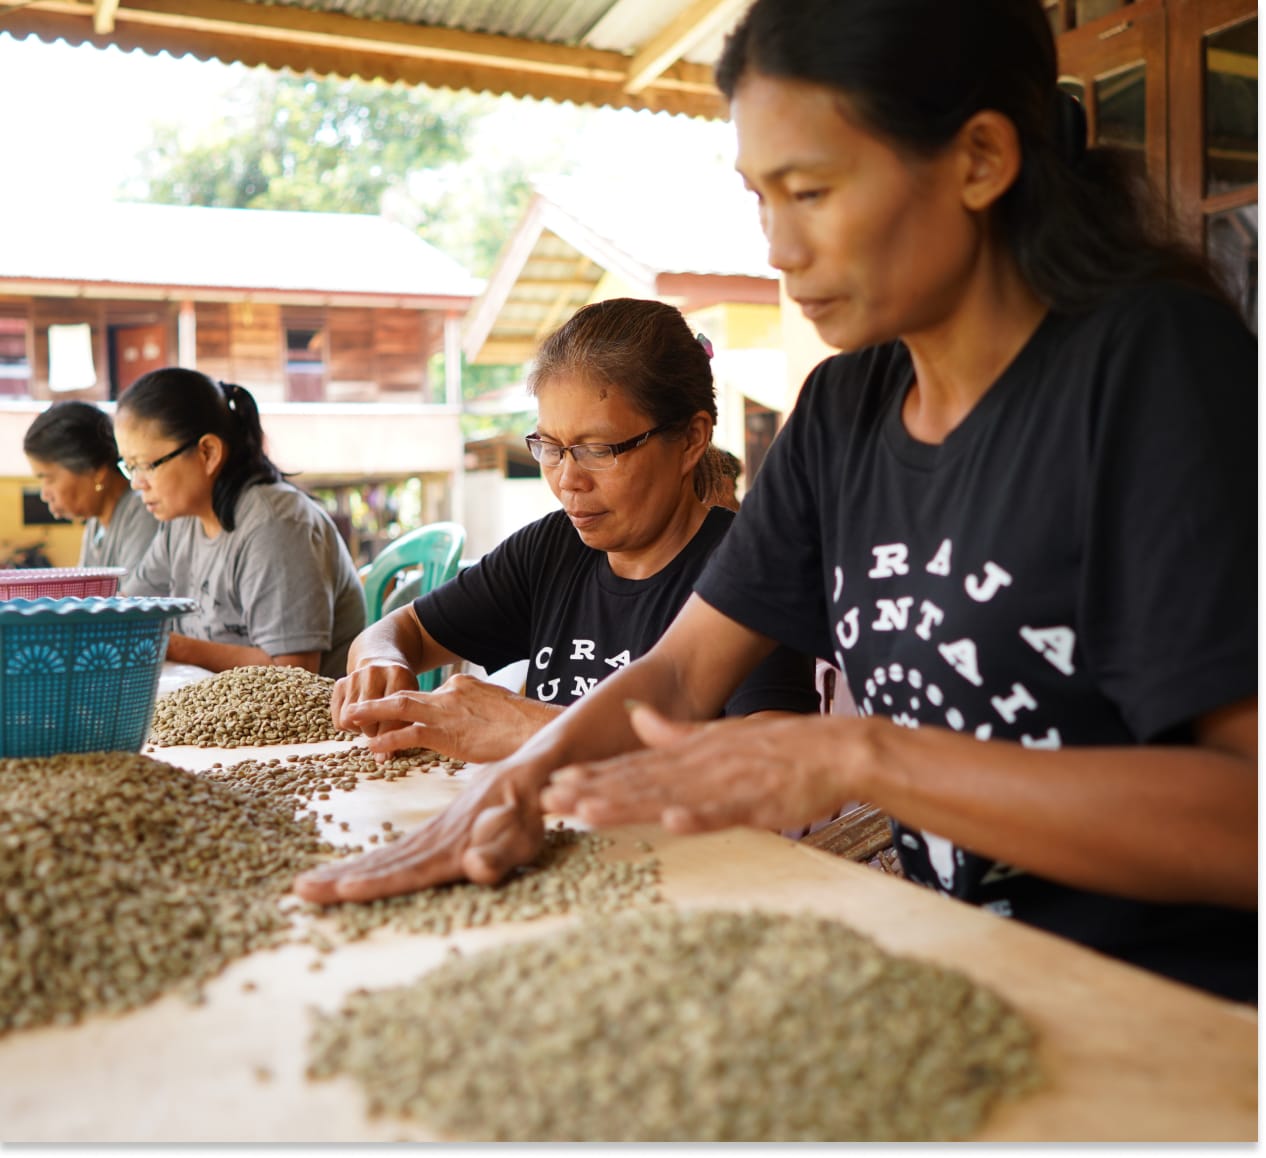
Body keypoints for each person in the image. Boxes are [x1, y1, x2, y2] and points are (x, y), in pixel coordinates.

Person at [294, 0, 1256, 1005]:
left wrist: (859, 753)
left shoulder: (1155, 371)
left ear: (979, 159)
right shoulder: (847, 407)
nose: (779, 249)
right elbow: (674, 682)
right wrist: (511, 790)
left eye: (812, 192)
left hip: (1174, 1011)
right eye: (761, 198)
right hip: (965, 985)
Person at [328, 297, 818, 764]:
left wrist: (531, 728)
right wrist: (379, 662)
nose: (568, 480)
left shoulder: (748, 569)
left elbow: (772, 766)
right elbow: (400, 629)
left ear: (691, 440)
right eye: (550, 447)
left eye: (597, 449)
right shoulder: (551, 550)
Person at [117, 367, 366, 677]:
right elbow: (129, 609)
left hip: (300, 719)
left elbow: (292, 674)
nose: (137, 483)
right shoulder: (182, 523)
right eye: (129, 467)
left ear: (208, 453)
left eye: (146, 465)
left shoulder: (276, 526)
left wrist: (169, 645)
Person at [23, 400, 159, 582]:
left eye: (49, 478)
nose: (45, 494)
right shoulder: (96, 524)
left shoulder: (143, 512)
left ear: (96, 472)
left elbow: (132, 602)